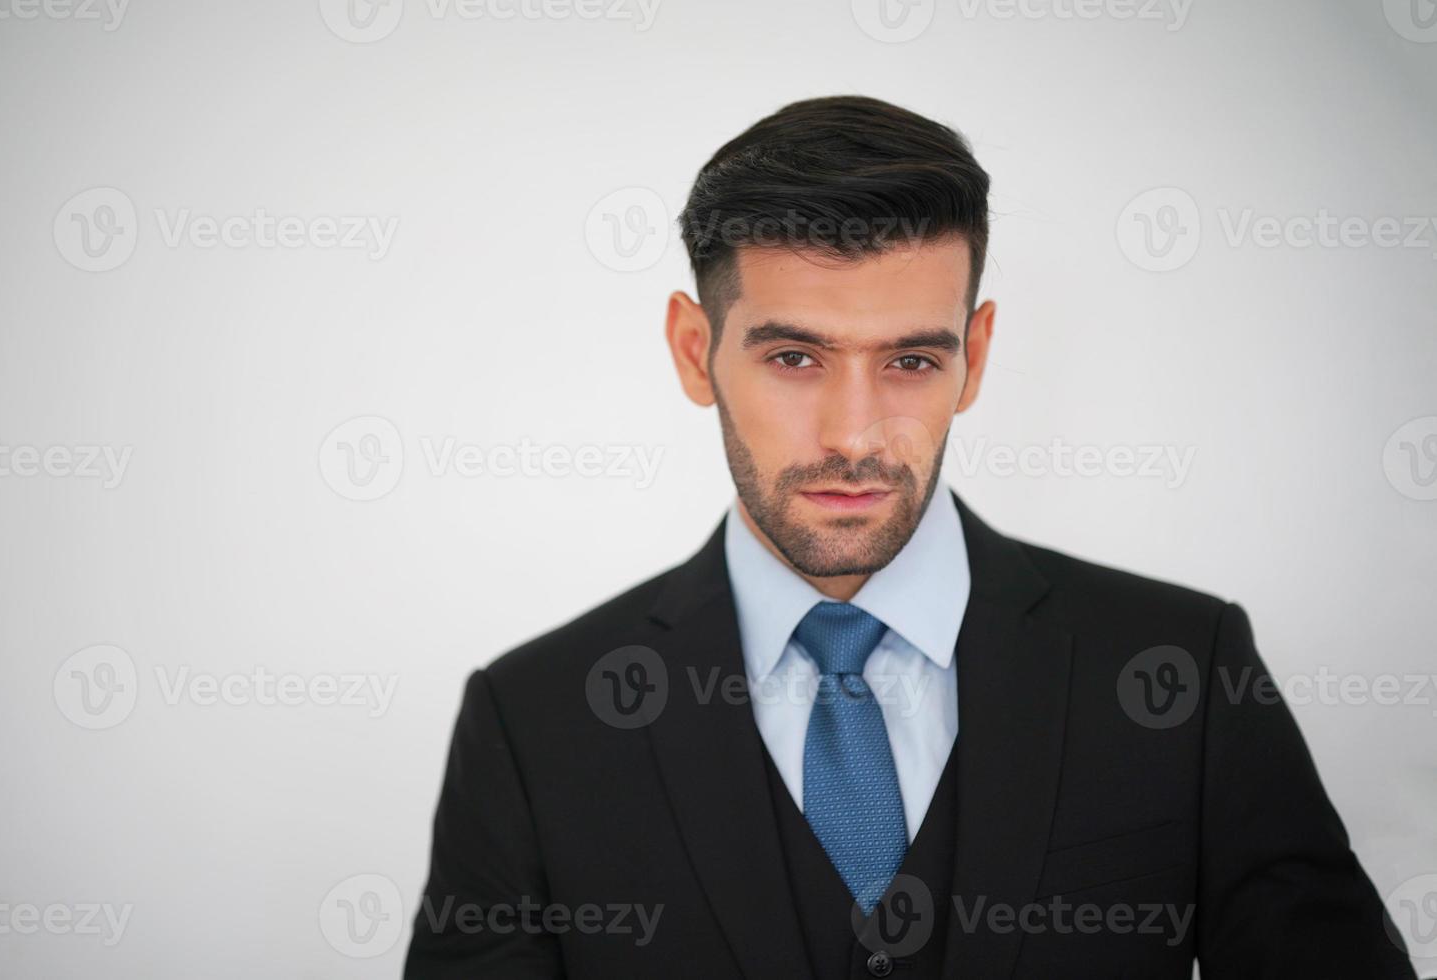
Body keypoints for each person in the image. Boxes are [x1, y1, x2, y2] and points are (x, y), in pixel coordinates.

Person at [404, 95, 1414, 979]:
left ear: (974, 357)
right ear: (692, 349)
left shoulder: (1184, 670)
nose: (853, 433)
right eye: (796, 356)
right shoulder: (531, 723)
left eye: (911, 361)